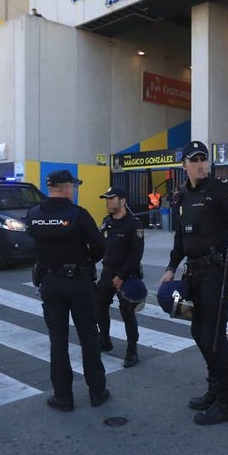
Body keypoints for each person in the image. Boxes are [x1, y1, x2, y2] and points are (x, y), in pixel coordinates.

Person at [161, 141, 228, 425]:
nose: (201, 164)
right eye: (195, 160)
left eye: (204, 159)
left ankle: (227, 403)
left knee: (213, 337)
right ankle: (214, 390)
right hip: (192, 273)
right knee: (197, 331)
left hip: (217, 271)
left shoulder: (220, 189)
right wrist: (171, 268)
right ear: (184, 165)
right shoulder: (181, 196)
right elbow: (180, 238)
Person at [26, 170, 109, 411]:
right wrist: (85, 262)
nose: (74, 189)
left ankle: (63, 397)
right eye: (72, 185)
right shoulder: (78, 214)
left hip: (50, 281)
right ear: (65, 187)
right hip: (78, 281)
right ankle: (97, 392)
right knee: (89, 337)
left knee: (58, 340)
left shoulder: (33, 214)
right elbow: (99, 247)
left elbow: (33, 244)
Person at [96, 186, 144, 368]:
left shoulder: (134, 224)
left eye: (111, 198)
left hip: (127, 275)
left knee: (127, 313)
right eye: (106, 199)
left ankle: (132, 350)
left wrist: (121, 276)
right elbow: (101, 246)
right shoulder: (107, 222)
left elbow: (136, 254)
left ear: (122, 200)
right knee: (99, 306)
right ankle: (104, 340)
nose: (108, 202)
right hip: (107, 273)